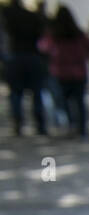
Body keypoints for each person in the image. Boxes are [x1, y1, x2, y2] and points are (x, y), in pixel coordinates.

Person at [38, 5, 89, 139]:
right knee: (79, 102)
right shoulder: (78, 33)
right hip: (79, 71)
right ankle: (82, 129)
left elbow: (43, 47)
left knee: (63, 101)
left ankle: (71, 125)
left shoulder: (54, 34)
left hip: (61, 72)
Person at [3, 0, 47, 136]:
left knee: (16, 93)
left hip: (15, 56)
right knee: (36, 93)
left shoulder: (7, 17)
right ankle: (40, 125)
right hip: (32, 56)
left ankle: (18, 124)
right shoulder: (32, 16)